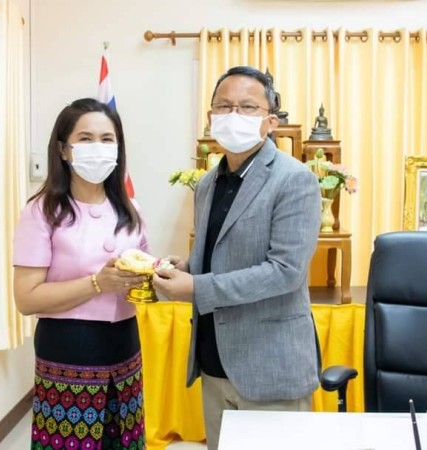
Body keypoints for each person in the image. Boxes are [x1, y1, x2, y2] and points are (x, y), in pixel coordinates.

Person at [152, 66, 322, 450]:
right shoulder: (207, 183)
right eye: (224, 106)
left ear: (271, 121)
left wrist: (196, 287)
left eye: (247, 107)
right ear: (210, 116)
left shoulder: (294, 179)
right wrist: (187, 268)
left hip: (269, 367)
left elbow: (286, 272)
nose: (233, 115)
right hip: (214, 361)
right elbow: (220, 254)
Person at [12, 98, 149, 450]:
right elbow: (26, 298)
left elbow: (141, 274)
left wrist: (159, 272)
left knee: (123, 439)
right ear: (64, 149)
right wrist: (97, 284)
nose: (98, 147)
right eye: (85, 139)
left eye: (107, 139)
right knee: (68, 442)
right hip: (68, 348)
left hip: (125, 344)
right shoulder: (42, 211)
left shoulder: (130, 208)